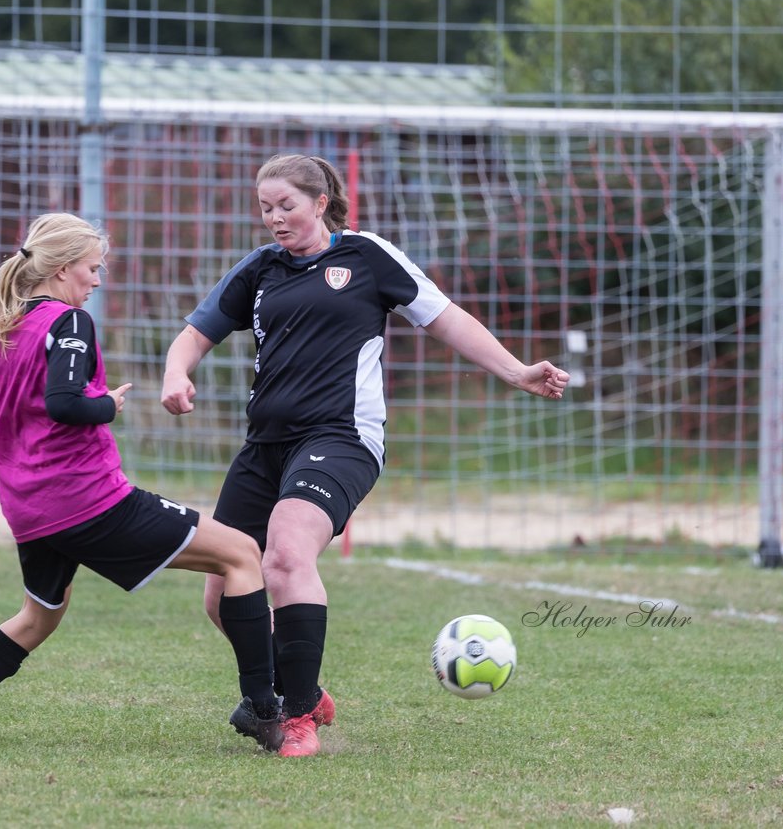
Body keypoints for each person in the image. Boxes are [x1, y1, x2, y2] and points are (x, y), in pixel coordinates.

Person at [161, 154, 570, 757]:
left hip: (341, 438)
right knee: (223, 593)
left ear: (320, 202)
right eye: (266, 208)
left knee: (286, 552)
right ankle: (303, 688)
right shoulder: (261, 268)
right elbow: (195, 332)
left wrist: (515, 371)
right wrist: (176, 373)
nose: (275, 218)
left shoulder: (366, 256)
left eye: (287, 206)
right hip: (266, 445)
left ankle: (295, 717)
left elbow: (445, 317)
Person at [0, 212, 283, 752]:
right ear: (61, 269)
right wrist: (106, 404)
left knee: (38, 618)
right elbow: (64, 402)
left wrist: (27, 440)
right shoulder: (69, 322)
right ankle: (265, 710)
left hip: (29, 508)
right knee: (242, 554)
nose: (98, 280)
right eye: (93, 268)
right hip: (87, 500)